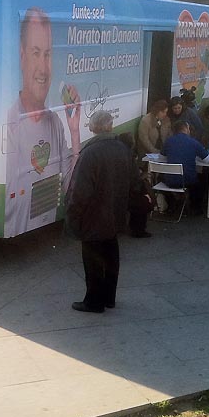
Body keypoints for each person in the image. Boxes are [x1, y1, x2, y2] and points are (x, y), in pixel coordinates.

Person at [6, 7, 82, 237]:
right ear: (21, 56)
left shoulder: (55, 123)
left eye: (47, 54)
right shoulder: (9, 125)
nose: (43, 67)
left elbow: (70, 188)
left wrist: (74, 131)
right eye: (35, 52)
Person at [66, 110, 133, 313]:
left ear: (93, 128)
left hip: (94, 217)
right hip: (115, 214)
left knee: (93, 261)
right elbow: (134, 180)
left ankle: (94, 301)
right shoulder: (123, 148)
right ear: (111, 126)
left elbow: (80, 191)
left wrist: (73, 214)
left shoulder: (90, 153)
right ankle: (109, 298)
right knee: (112, 255)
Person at [161, 120, 209, 208]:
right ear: (186, 128)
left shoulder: (168, 141)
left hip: (170, 180)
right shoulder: (194, 142)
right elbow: (208, 160)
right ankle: (195, 206)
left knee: (159, 178)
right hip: (187, 180)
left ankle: (171, 203)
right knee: (203, 179)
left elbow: (161, 157)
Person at [118, 132, 154, 238]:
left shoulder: (116, 154)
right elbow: (134, 180)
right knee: (142, 200)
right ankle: (138, 230)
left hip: (115, 189)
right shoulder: (129, 156)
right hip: (127, 191)